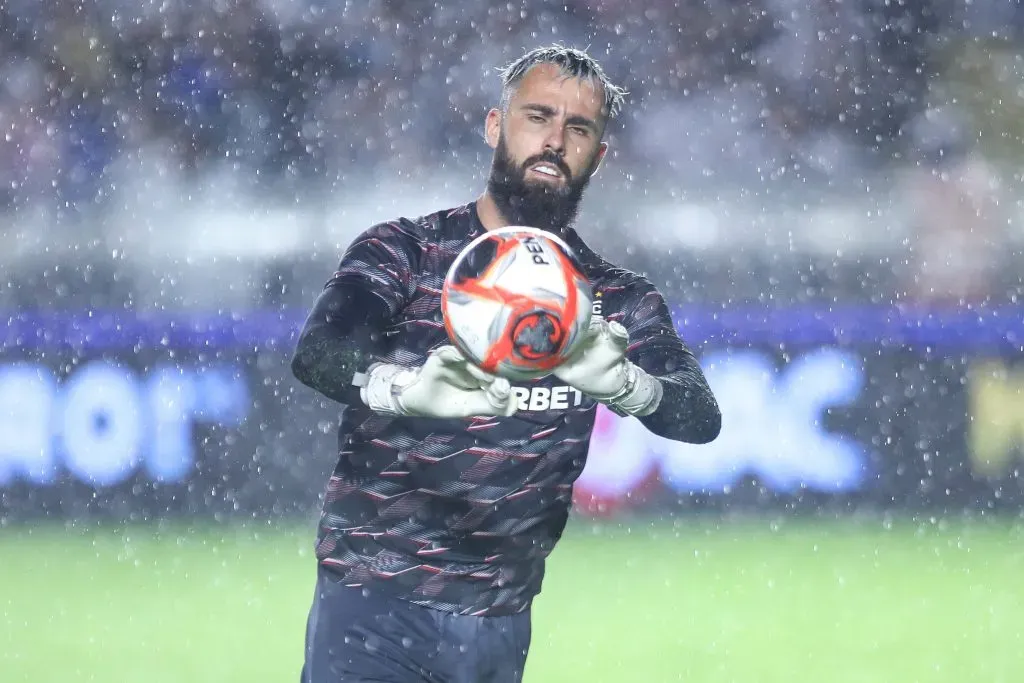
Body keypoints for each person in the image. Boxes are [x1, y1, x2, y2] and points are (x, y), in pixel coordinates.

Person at [291, 45, 722, 683]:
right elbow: (319, 353)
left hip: (499, 622)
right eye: (537, 117)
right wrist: (398, 390)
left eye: (578, 128)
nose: (554, 140)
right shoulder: (405, 251)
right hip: (372, 605)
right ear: (497, 126)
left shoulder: (614, 297)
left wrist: (633, 387)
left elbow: (700, 414)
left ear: (598, 156)